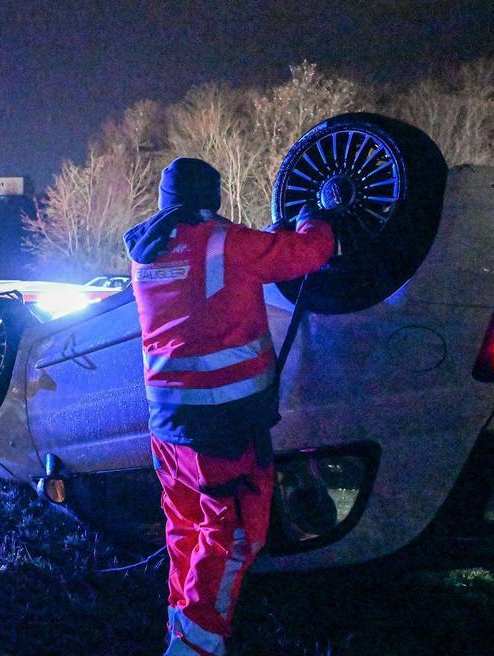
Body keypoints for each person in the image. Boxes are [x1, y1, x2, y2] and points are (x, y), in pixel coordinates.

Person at [124, 157, 334, 656]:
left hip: (168, 426)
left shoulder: (146, 249)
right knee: (236, 535)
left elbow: (208, 275)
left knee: (185, 529)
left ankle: (180, 629)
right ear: (213, 196)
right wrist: (317, 214)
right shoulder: (228, 242)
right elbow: (311, 252)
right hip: (224, 425)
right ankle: (196, 646)